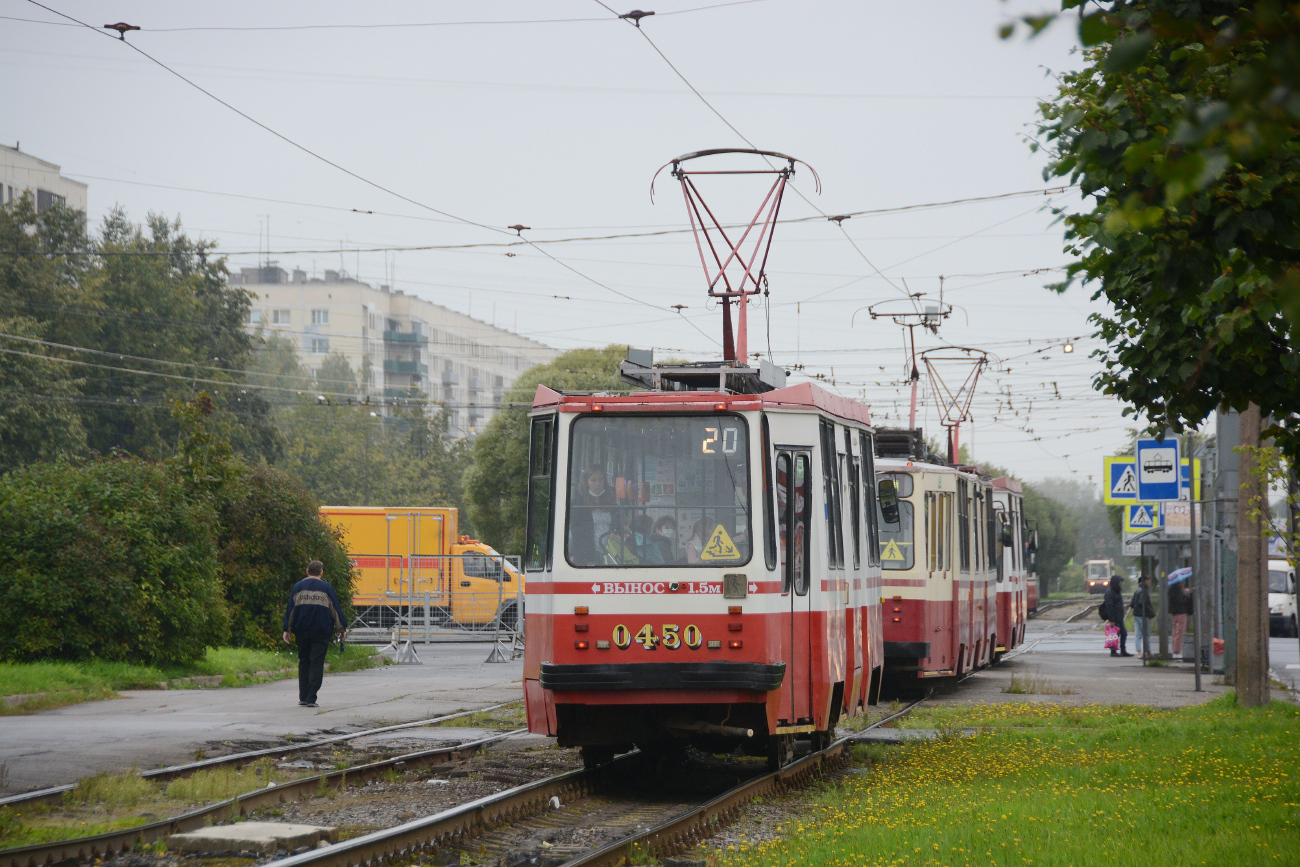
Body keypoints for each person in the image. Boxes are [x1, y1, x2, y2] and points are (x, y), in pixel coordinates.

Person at [282, 560, 346, 708]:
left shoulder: (298, 587)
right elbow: (335, 610)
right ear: (321, 572)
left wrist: (287, 629)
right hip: (321, 632)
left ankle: (303, 697)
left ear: (307, 571)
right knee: (316, 663)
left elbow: (291, 610)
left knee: (304, 662)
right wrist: (341, 629)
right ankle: (311, 698)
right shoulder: (326, 588)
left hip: (302, 631)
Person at [570, 466, 614, 565]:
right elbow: (576, 531)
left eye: (600, 480)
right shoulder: (578, 504)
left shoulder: (610, 501)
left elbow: (618, 523)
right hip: (588, 556)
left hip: (611, 553)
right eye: (593, 480)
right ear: (586, 482)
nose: (597, 484)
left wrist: (615, 533)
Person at [1102, 574, 1131, 657]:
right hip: (1114, 618)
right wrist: (1112, 619)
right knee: (1115, 635)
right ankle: (1113, 651)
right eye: (1120, 581)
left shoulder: (1117, 591)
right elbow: (1109, 607)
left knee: (1123, 633)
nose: (1121, 583)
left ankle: (1123, 650)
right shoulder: (1110, 593)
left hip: (1119, 617)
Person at [1129, 574, 1157, 659]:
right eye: (1148, 580)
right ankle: (1148, 652)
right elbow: (1143, 603)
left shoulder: (1137, 590)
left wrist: (1136, 608)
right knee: (1146, 634)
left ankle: (1139, 652)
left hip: (1136, 615)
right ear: (1144, 581)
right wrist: (1151, 612)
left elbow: (1132, 604)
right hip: (1143, 615)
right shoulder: (1144, 591)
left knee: (1138, 635)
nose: (1149, 581)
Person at [1169, 575, 1194, 656]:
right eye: (1181, 581)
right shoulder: (1178, 590)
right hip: (1181, 612)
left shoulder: (1171, 590)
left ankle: (1174, 649)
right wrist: (1187, 597)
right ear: (1178, 582)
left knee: (1175, 632)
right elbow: (1180, 601)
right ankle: (1178, 650)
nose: (1182, 583)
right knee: (1180, 632)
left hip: (1174, 613)